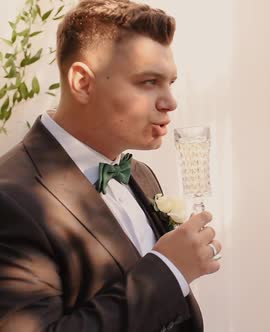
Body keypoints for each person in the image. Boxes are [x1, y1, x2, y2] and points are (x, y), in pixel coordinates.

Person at [0, 1, 221, 331]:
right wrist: (167, 269)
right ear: (83, 83)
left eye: (170, 82)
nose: (170, 101)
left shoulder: (142, 176)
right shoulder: (11, 197)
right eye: (148, 82)